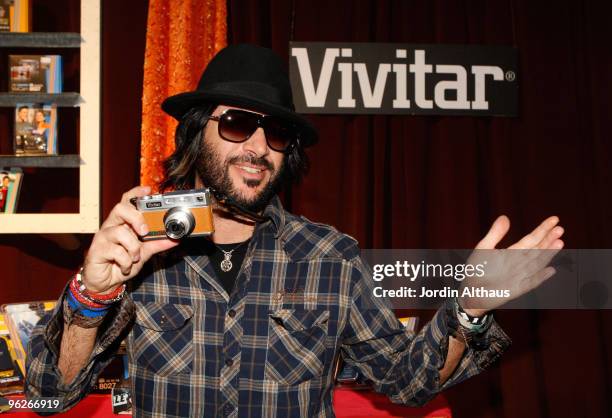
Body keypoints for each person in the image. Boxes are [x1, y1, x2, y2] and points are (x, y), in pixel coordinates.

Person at [25, 44, 564, 417]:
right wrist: (93, 293)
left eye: (277, 133)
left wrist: (470, 306)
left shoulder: (331, 256)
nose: (258, 146)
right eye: (237, 123)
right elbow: (50, 394)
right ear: (197, 132)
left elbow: (408, 381)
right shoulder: (139, 247)